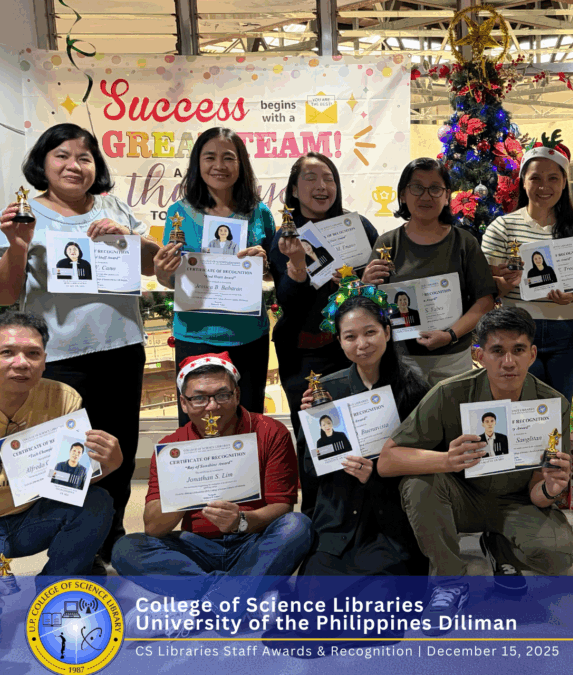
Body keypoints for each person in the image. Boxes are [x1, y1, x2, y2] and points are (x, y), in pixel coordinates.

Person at [0, 123, 159, 567]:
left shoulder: (114, 206)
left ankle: (110, 538)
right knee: (67, 458)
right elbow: (1, 294)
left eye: (84, 157)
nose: (74, 165)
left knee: (115, 451)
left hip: (121, 348)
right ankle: (74, 548)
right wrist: (17, 246)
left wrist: (128, 237)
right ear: (42, 163)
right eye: (62, 155)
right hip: (58, 356)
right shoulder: (23, 215)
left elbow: (154, 264)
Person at [378, 307, 573, 633]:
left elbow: (538, 493)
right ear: (479, 355)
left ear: (532, 355)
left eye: (518, 350)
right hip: (461, 497)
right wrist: (446, 461)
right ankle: (449, 582)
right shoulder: (449, 393)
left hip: (517, 501)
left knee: (557, 555)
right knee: (418, 484)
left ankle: (501, 550)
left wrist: (549, 489)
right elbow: (388, 460)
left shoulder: (552, 405)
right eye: (497, 351)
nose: (509, 362)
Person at [112, 352, 313, 609]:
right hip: (196, 545)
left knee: (297, 526)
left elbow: (282, 505)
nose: (212, 407)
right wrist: (186, 488)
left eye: (222, 395)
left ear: (237, 395)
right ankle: (239, 593)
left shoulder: (270, 431)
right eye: (199, 398)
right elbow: (153, 528)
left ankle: (211, 600)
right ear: (184, 403)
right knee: (126, 549)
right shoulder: (172, 447)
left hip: (254, 540)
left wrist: (241, 520)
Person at [265, 152, 378, 520]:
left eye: (328, 177)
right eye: (310, 178)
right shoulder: (286, 238)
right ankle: (316, 516)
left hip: (356, 350)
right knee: (316, 437)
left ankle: (362, 515)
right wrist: (297, 265)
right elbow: (290, 302)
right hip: (306, 354)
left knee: (363, 431)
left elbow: (381, 287)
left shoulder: (357, 227)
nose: (321, 186)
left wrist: (366, 282)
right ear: (294, 190)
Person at [297, 294, 429, 577]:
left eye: (370, 332)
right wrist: (312, 428)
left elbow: (426, 463)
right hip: (338, 521)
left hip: (391, 523)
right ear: (339, 341)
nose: (362, 344)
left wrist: (378, 473)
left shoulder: (414, 390)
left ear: (387, 332)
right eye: (350, 336)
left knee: (384, 600)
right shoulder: (325, 393)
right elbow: (309, 468)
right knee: (313, 602)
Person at [0, 312, 120, 577]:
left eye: (33, 354)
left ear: (45, 361)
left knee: (96, 502)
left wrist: (110, 465)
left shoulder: (63, 398)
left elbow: (68, 483)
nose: (22, 363)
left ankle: (55, 586)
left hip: (33, 516)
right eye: (7, 352)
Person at [152, 127, 276, 427]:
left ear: (241, 163)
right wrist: (162, 273)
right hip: (195, 335)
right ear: (198, 162)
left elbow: (274, 272)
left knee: (246, 422)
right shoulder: (179, 213)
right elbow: (171, 279)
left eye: (228, 157)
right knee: (199, 426)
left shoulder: (259, 212)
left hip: (249, 336)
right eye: (210, 157)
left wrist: (265, 265)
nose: (219, 165)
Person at [482, 134, 573, 401]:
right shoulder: (502, 227)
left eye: (553, 178)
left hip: (567, 332)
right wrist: (503, 284)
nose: (544, 186)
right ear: (523, 181)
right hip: (516, 332)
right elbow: (485, 285)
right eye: (535, 178)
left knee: (560, 406)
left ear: (564, 182)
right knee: (523, 408)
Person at [362, 158, 496, 383]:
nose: (426, 196)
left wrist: (450, 335)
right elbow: (369, 305)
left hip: (453, 359)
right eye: (417, 188)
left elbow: (485, 301)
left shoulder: (464, 242)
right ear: (403, 195)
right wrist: (366, 285)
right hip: (401, 360)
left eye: (435, 189)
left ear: (447, 196)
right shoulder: (387, 244)